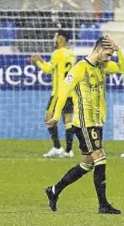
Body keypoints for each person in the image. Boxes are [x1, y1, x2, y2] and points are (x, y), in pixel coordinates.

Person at [45, 36, 124, 214]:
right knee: (100, 157)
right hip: (84, 122)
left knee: (88, 162)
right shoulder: (79, 68)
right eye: (107, 54)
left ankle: (54, 190)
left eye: (111, 55)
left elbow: (123, 69)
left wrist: (118, 50)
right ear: (98, 50)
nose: (109, 58)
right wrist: (56, 115)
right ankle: (103, 205)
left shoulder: (101, 66)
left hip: (96, 122)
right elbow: (63, 93)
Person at [28, 30, 76, 158]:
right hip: (70, 92)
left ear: (61, 38)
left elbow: (47, 69)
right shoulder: (71, 53)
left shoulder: (57, 53)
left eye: (56, 37)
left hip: (58, 93)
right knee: (68, 120)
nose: (55, 39)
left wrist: (37, 61)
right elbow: (57, 66)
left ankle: (57, 147)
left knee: (48, 118)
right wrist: (43, 60)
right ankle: (69, 151)